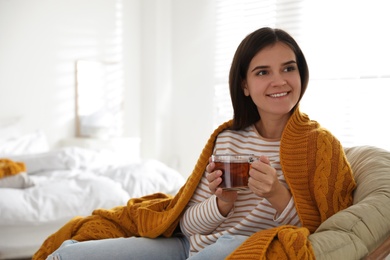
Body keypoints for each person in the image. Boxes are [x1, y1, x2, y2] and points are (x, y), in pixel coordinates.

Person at [37, 27, 356, 260]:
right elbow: (188, 223)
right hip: (187, 247)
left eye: (289, 68)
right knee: (67, 255)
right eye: (263, 72)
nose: (279, 80)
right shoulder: (228, 138)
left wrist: (276, 194)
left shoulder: (320, 145)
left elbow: (326, 238)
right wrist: (223, 203)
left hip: (243, 250)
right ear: (244, 85)